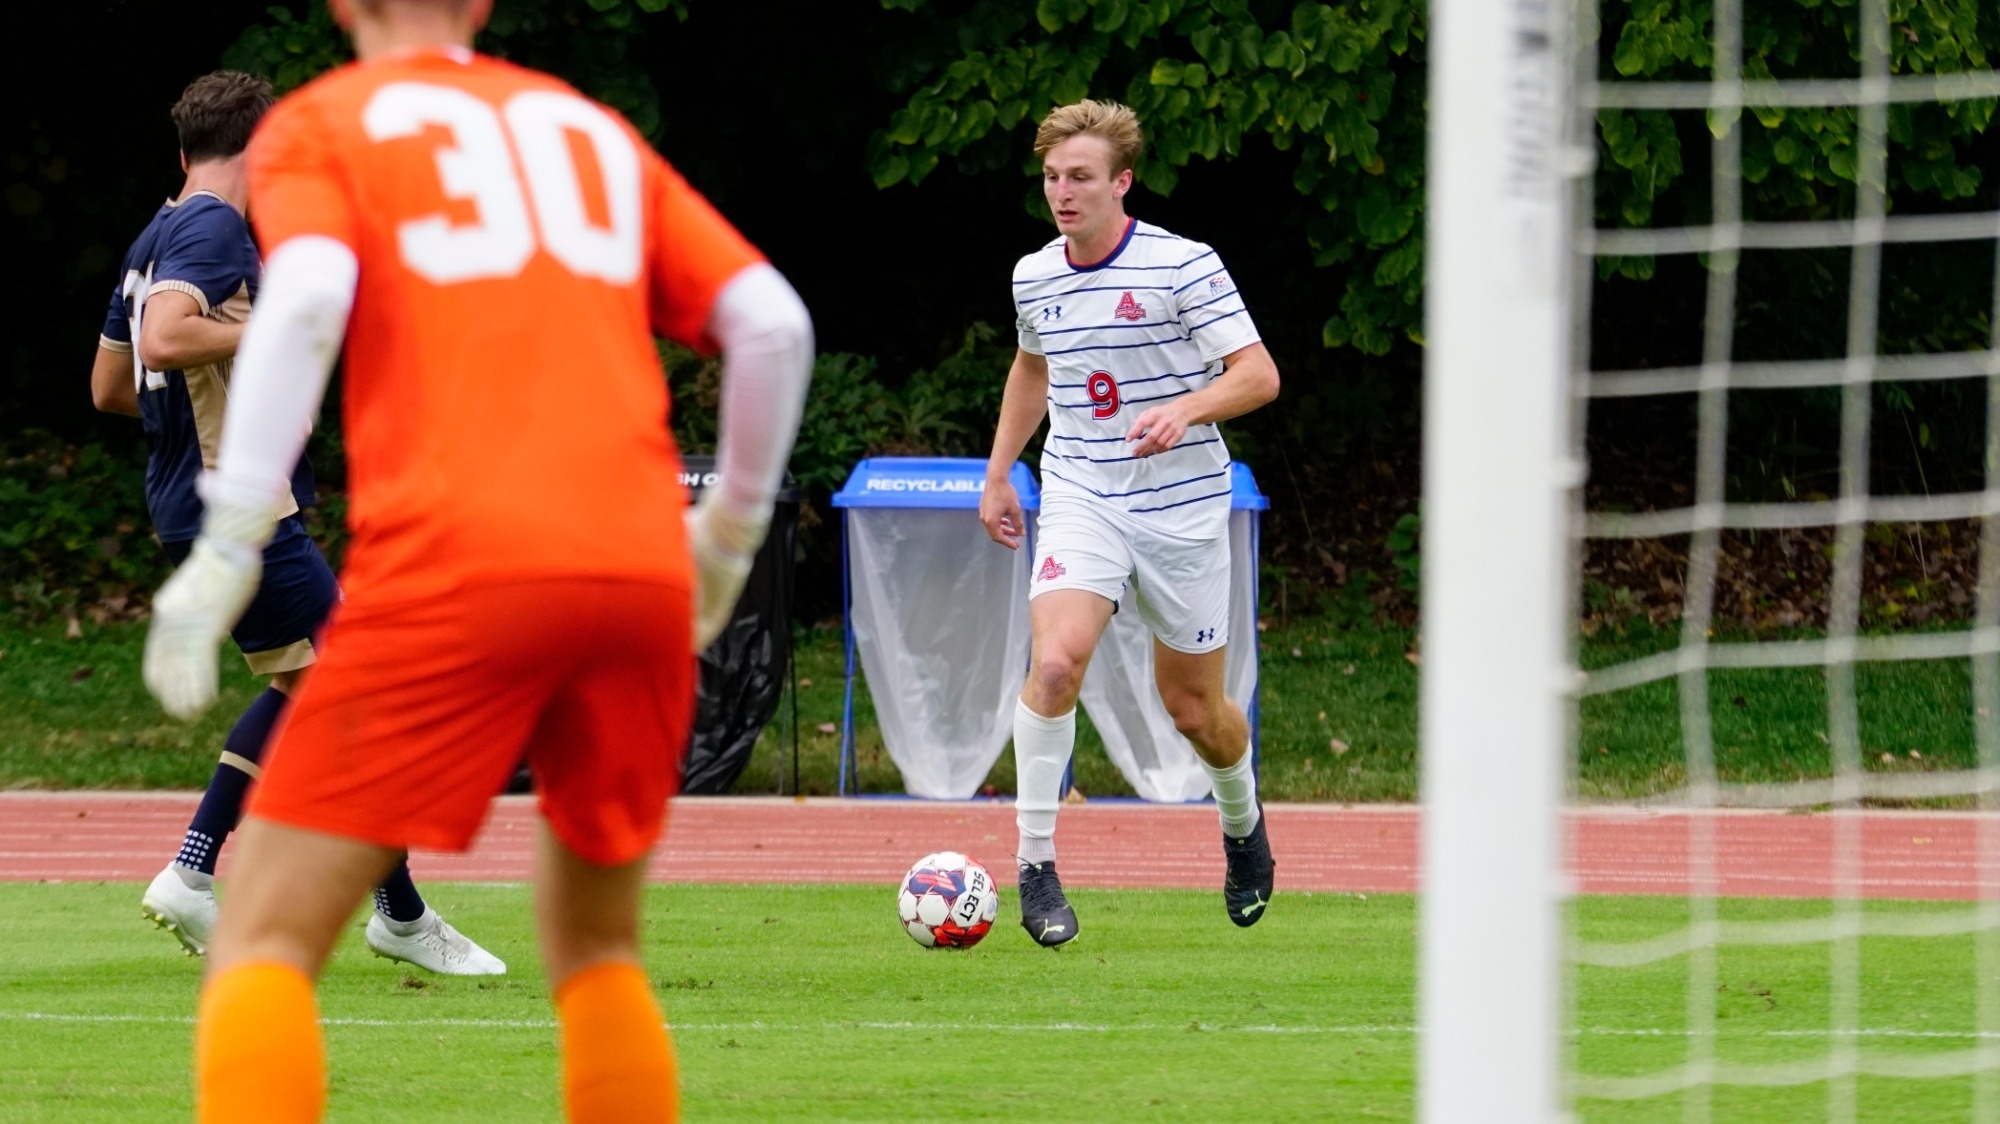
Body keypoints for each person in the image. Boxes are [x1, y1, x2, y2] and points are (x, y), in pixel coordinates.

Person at [140, 0, 812, 1117]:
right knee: (597, 947)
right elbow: (774, 325)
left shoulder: (325, 122)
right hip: (637, 566)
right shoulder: (584, 128)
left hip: (461, 559)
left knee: (259, 922)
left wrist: (226, 539)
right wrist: (729, 534)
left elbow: (304, 301)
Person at [93, 68, 502, 976]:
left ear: (184, 149)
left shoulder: (153, 234)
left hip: (192, 505)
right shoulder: (214, 227)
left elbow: (112, 387)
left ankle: (389, 910)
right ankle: (207, 875)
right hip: (235, 506)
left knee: (317, 696)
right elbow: (164, 339)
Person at [978, 100, 1282, 947]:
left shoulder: (1184, 266)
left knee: (1195, 711)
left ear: (1122, 182)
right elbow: (1033, 368)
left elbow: (1258, 375)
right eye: (1051, 178)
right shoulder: (1033, 274)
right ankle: (1035, 865)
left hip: (1182, 509)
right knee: (1056, 663)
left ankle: (1241, 822)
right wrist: (1000, 472)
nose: (1062, 193)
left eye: (1079, 177)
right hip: (1082, 494)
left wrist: (1188, 409)